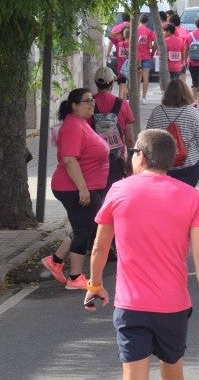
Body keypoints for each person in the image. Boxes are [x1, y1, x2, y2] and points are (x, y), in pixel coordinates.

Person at [85, 129, 199, 379]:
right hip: (173, 305)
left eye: (134, 152)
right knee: (173, 369)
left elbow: (100, 247)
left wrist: (95, 284)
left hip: (131, 304)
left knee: (134, 374)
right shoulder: (191, 196)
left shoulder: (118, 190)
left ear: (142, 157)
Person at [41, 88, 109, 290]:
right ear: (74, 105)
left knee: (84, 226)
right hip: (74, 188)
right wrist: (82, 188)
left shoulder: (81, 123)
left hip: (85, 187)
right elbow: (69, 160)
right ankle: (75, 277)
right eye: (87, 101)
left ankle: (55, 261)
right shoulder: (72, 125)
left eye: (92, 101)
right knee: (84, 229)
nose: (91, 104)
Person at [145, 79, 199, 187]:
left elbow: (147, 139)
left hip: (162, 165)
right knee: (185, 198)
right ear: (186, 93)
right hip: (189, 166)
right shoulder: (193, 113)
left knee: (166, 200)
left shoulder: (157, 112)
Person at [92, 67, 136, 189]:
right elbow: (129, 138)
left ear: (96, 83)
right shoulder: (122, 104)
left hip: (92, 159)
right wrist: (130, 159)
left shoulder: (88, 103)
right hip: (116, 158)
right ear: (112, 83)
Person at [134, 13, 156, 100]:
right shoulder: (149, 32)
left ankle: (137, 95)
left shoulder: (135, 30)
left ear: (139, 20)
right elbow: (151, 46)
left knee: (137, 77)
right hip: (146, 56)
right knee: (145, 77)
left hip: (136, 57)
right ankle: (144, 97)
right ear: (147, 21)